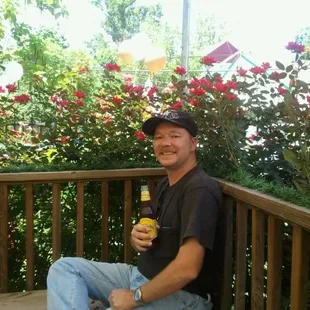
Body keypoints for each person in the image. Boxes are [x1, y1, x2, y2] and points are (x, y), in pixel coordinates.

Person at [47, 110, 223, 310]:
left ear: (193, 144)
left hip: (180, 297)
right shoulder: (166, 183)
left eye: (174, 136)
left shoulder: (199, 189)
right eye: (159, 137)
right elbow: (154, 233)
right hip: (140, 278)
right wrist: (136, 237)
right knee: (65, 268)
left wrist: (135, 297)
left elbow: (187, 269)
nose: (165, 143)